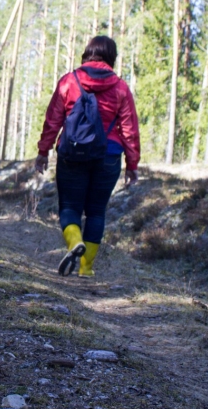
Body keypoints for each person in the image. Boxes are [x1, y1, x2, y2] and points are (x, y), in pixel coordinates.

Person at [34, 36, 140, 277]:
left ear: (87, 53)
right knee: (96, 211)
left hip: (72, 152)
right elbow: (129, 129)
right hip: (109, 155)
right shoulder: (121, 88)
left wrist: (43, 151)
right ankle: (86, 268)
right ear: (112, 57)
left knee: (70, 206)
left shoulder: (68, 82)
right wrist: (132, 164)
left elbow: (53, 120)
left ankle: (74, 243)